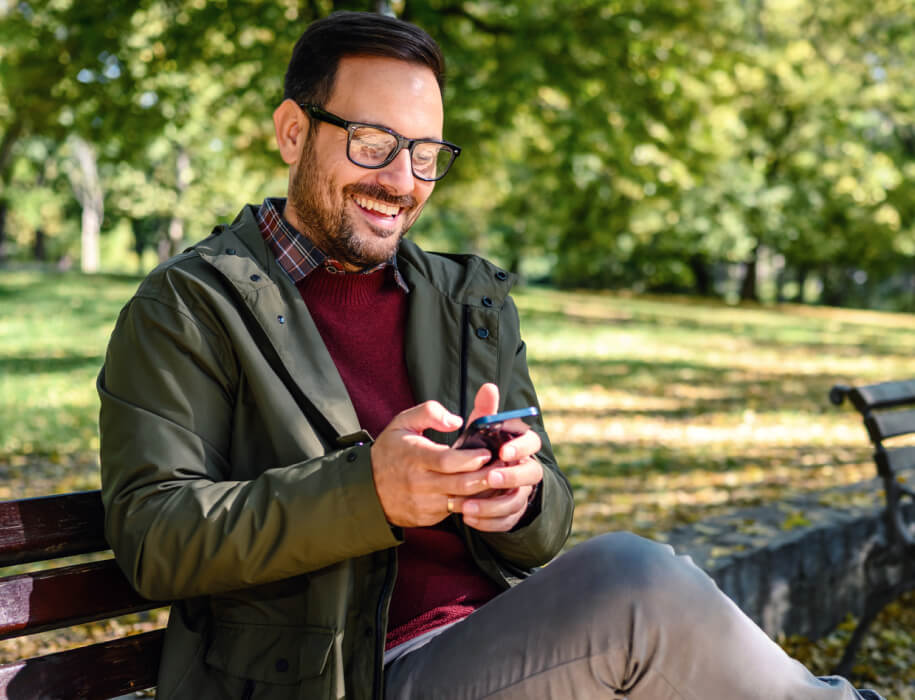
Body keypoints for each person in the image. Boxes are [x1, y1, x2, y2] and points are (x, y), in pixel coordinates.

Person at [97, 11, 883, 700]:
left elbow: (547, 528)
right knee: (639, 587)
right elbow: (154, 539)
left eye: (425, 154)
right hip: (348, 676)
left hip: (502, 641)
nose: (400, 181)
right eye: (372, 143)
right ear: (293, 132)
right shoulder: (189, 305)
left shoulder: (465, 301)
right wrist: (369, 493)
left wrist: (522, 496)